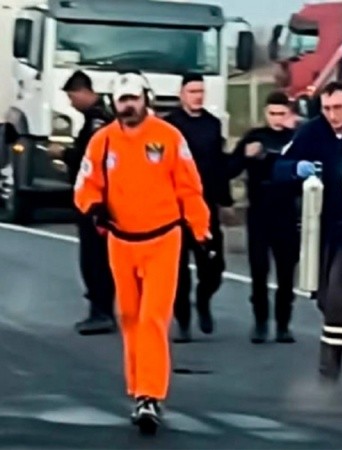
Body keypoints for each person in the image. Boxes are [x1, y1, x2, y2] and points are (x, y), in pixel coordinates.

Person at [73, 72, 210, 434]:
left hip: (163, 239)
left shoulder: (167, 138)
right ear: (115, 103)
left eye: (134, 98)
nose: (129, 105)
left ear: (145, 99)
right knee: (129, 315)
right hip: (121, 241)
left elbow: (189, 187)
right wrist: (94, 207)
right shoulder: (102, 142)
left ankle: (151, 395)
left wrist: (201, 230)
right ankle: (137, 388)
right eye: (123, 100)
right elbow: (85, 185)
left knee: (152, 317)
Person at [273, 81, 342, 381]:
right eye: (326, 108)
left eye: (338, 107)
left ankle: (328, 369)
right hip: (319, 225)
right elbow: (279, 168)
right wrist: (297, 167)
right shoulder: (313, 131)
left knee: (338, 292)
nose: (333, 115)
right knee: (325, 301)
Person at [164, 73, 232, 343]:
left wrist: (225, 201)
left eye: (201, 91)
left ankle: (203, 301)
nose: (198, 96)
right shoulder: (169, 127)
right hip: (175, 210)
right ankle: (183, 321)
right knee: (178, 270)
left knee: (213, 267)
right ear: (182, 94)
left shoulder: (212, 125)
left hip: (206, 207)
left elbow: (218, 166)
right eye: (192, 91)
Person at [228, 90, 298, 344]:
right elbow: (230, 169)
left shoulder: (295, 139)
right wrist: (246, 156)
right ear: (265, 113)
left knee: (286, 273)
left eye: (282, 114)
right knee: (259, 270)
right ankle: (260, 322)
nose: (277, 119)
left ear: (288, 113)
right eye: (273, 114)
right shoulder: (254, 137)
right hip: (259, 213)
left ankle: (283, 324)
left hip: (288, 212)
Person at [60, 70, 116, 335]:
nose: (71, 102)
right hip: (94, 199)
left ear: (84, 93)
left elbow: (90, 157)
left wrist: (64, 153)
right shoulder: (97, 118)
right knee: (97, 257)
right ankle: (100, 309)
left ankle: (101, 311)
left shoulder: (98, 121)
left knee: (96, 258)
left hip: (97, 201)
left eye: (72, 96)